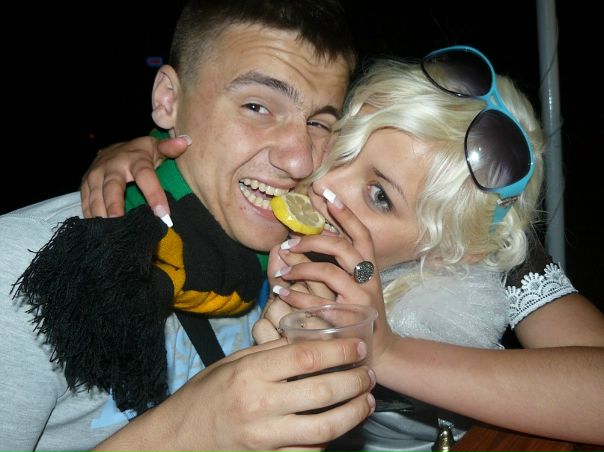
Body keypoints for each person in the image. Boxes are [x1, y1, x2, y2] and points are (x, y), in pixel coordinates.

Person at [81, 48, 604, 450]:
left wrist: (385, 351)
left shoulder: (485, 256)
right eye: (342, 143)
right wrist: (146, 152)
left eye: (380, 195)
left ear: (449, 251)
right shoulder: (271, 212)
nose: (324, 183)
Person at [0, 1, 378, 451]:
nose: (300, 159)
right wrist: (190, 430)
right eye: (257, 106)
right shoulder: (23, 265)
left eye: (318, 123)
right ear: (168, 101)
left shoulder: (290, 272)